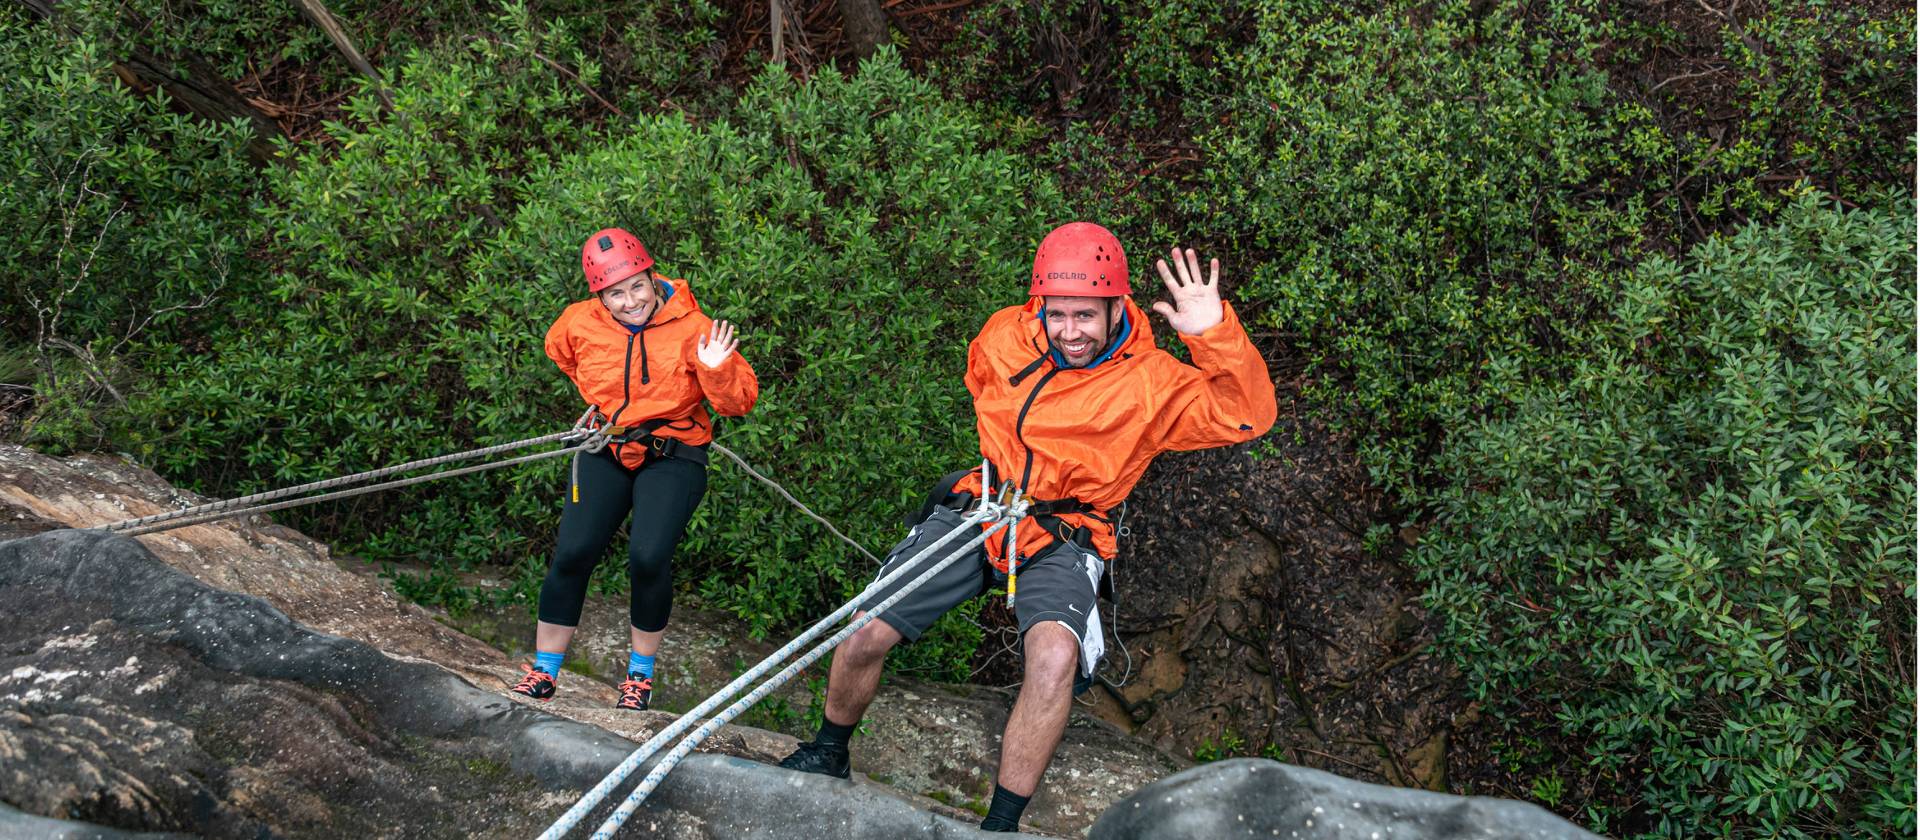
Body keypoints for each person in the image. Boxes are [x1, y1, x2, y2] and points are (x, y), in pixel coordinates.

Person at [778, 222, 1276, 831]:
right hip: (984, 506)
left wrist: (1212, 335)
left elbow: (1247, 416)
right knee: (863, 633)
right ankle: (829, 753)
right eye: (1058, 314)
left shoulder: (1153, 384)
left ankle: (1001, 824)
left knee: (1052, 661)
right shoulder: (1004, 336)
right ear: (1038, 304)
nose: (1070, 332)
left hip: (1066, 531)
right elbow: (984, 387)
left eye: (1086, 316)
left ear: (1117, 305)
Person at [511, 227, 758, 711]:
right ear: (599, 296)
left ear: (652, 276)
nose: (630, 301)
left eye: (637, 287)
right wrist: (603, 406)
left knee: (647, 557)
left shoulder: (694, 327)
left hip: (673, 451)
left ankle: (639, 678)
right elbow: (563, 355)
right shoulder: (576, 323)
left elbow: (739, 403)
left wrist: (714, 369)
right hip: (605, 442)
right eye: (615, 293)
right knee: (573, 553)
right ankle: (544, 672)